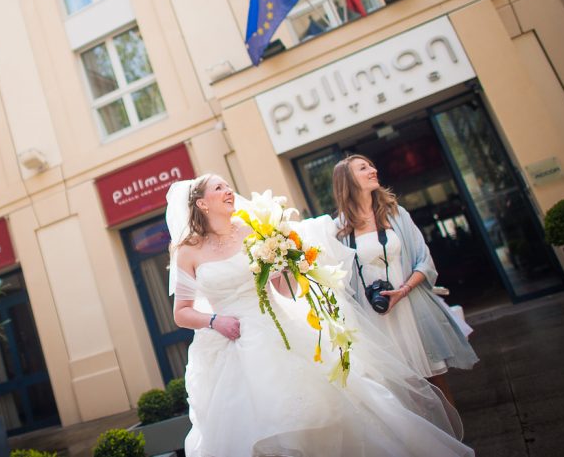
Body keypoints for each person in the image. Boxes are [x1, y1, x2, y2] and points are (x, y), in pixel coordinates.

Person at [168, 173, 474, 457]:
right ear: (202, 203)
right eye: (219, 187)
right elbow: (181, 313)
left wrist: (288, 267)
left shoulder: (255, 233)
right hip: (227, 344)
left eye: (228, 185)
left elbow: (284, 292)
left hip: (278, 331)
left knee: (326, 409)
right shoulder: (188, 251)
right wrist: (214, 321)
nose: (228, 191)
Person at [331, 154, 478, 406]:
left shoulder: (397, 214)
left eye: (371, 165)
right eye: (363, 168)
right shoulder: (338, 228)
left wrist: (403, 290)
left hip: (410, 306)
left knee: (436, 382)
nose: (373, 170)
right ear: (348, 181)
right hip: (373, 318)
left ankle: (454, 439)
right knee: (397, 391)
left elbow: (424, 260)